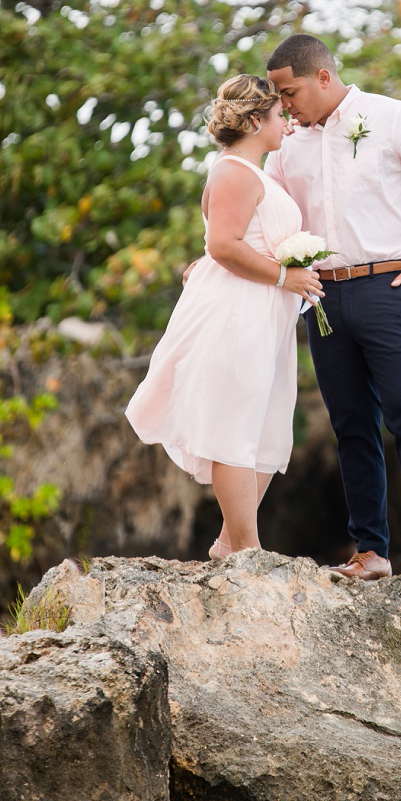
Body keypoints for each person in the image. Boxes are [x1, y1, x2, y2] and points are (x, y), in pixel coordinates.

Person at [266, 34, 401, 586]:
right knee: (351, 426)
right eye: (278, 96)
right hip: (323, 297)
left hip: (389, 288)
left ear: (323, 78)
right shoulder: (287, 144)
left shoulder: (393, 117)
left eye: (289, 92)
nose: (284, 104)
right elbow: (270, 216)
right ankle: (371, 552)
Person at [125, 75, 322, 557]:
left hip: (264, 316)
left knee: (264, 429)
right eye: (279, 116)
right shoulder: (234, 170)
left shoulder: (255, 172)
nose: (287, 124)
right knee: (235, 425)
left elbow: (231, 241)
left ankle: (228, 543)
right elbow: (222, 244)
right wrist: (283, 276)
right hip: (240, 313)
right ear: (256, 120)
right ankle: (248, 551)